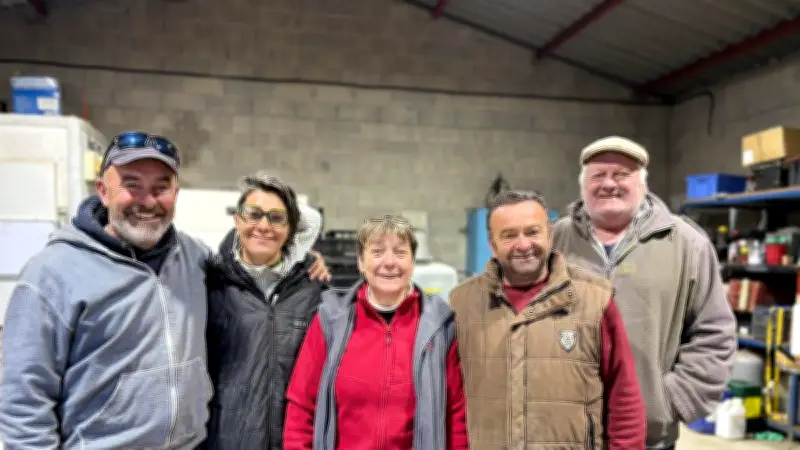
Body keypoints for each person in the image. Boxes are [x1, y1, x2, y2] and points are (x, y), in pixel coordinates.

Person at [0, 132, 214, 449]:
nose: (148, 201)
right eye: (132, 184)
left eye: (161, 187)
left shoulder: (196, 258)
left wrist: (305, 263)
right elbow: (22, 398)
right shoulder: (53, 273)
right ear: (103, 190)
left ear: (176, 193)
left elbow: (253, 270)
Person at [552, 136, 737, 450]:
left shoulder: (686, 244)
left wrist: (668, 401)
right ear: (583, 185)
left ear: (642, 183)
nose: (609, 184)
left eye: (622, 175)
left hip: (647, 438)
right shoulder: (554, 239)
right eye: (598, 176)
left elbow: (715, 332)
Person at [449, 189, 646, 450]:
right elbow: (450, 400)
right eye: (509, 235)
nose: (523, 245)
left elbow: (624, 398)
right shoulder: (462, 304)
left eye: (532, 232)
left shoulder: (594, 300)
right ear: (491, 244)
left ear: (550, 234)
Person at [283, 215, 469, 450]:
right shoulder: (330, 321)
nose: (389, 262)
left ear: (412, 262)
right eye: (377, 252)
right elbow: (301, 406)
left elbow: (455, 415)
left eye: (400, 253)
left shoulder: (439, 327)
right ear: (361, 262)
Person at [202, 172, 328, 449]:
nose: (264, 225)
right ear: (237, 220)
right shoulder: (209, 282)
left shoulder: (313, 289)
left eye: (277, 218)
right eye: (254, 214)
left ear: (291, 229)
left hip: (293, 442)